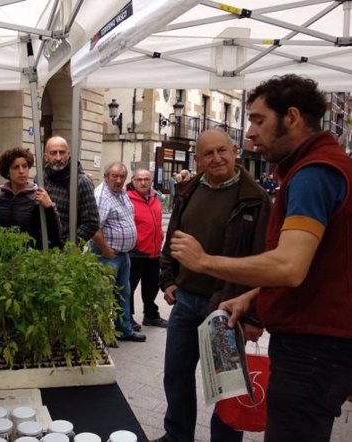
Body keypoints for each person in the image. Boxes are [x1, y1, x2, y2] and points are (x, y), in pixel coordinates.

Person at [169, 75, 352, 442]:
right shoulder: (316, 167)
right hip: (313, 343)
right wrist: (254, 295)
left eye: (257, 120)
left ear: (293, 117)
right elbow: (314, 262)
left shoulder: (314, 173)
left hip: (313, 348)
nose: (249, 133)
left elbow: (288, 265)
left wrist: (204, 261)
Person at [153, 129, 271, 442]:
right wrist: (167, 279)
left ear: (235, 152)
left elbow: (264, 258)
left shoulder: (255, 198)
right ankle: (177, 436)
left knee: (226, 386)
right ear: (198, 160)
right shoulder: (189, 191)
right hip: (186, 301)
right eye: (209, 153)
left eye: (222, 151)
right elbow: (173, 239)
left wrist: (254, 316)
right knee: (176, 376)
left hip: (227, 308)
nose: (216, 158)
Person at [90, 162, 145, 343]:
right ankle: (103, 335)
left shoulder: (121, 193)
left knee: (123, 294)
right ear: (106, 177)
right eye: (114, 176)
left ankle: (123, 330)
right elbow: (94, 228)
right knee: (104, 297)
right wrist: (106, 250)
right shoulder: (102, 196)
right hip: (107, 255)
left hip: (123, 255)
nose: (118, 180)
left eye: (122, 176)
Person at [0, 147, 62, 249]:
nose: (21, 171)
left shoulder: (39, 196)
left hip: (29, 257)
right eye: (16, 167)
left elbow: (56, 233)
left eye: (25, 166)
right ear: (7, 172)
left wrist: (49, 207)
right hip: (1, 254)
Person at [126, 169, 167, 330]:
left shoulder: (155, 197)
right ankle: (127, 318)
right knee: (129, 288)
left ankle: (150, 315)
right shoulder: (127, 198)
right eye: (139, 179)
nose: (143, 182)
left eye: (146, 179)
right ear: (133, 181)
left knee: (152, 286)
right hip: (136, 251)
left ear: (151, 181)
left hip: (154, 250)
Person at [43, 136, 99, 244]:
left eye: (62, 152)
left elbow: (92, 222)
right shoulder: (41, 178)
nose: (58, 158)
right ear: (46, 157)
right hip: (43, 248)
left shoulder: (81, 182)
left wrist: (69, 245)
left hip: (66, 253)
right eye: (53, 153)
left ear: (68, 154)